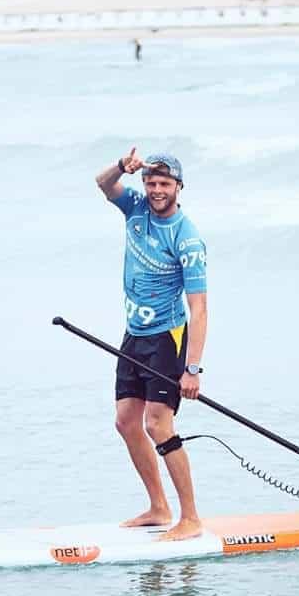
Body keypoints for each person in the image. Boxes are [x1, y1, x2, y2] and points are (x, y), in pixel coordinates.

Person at [95, 148, 208, 541]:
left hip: (166, 338)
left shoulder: (187, 239)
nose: (157, 190)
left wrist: (192, 369)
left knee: (157, 424)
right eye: (151, 182)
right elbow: (103, 184)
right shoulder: (136, 209)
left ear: (179, 187)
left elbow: (199, 309)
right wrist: (119, 167)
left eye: (165, 184)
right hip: (133, 336)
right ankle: (159, 508)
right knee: (126, 422)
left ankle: (190, 518)